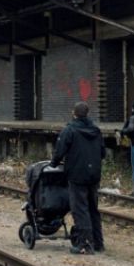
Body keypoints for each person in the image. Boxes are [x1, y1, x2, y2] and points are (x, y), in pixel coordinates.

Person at [51, 102, 106, 255]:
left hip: (77, 175)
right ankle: (98, 243)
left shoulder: (70, 130)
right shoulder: (96, 130)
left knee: (80, 209)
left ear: (74, 113)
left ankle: (84, 244)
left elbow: (60, 150)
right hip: (94, 174)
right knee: (93, 208)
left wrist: (54, 163)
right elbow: (103, 153)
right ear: (87, 114)